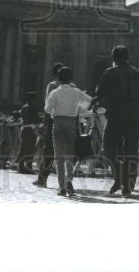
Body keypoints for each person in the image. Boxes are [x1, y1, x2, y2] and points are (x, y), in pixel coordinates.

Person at [92, 45, 139, 196]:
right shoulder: (137, 73)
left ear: (114, 58)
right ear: (127, 57)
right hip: (134, 115)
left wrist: (104, 103)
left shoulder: (110, 73)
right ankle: (128, 185)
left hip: (116, 114)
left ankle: (120, 175)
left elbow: (100, 93)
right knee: (132, 150)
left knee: (108, 146)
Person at [44, 66, 93, 196]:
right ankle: (69, 180)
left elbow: (47, 110)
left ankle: (61, 186)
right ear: (71, 78)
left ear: (58, 79)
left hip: (58, 122)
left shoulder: (55, 92)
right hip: (72, 123)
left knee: (59, 155)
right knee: (69, 153)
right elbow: (87, 104)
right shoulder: (76, 91)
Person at [33, 63, 66, 188]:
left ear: (55, 75)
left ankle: (42, 179)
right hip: (69, 121)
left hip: (54, 120)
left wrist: (46, 123)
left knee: (49, 150)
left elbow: (48, 106)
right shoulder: (73, 87)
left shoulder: (52, 85)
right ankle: (66, 182)